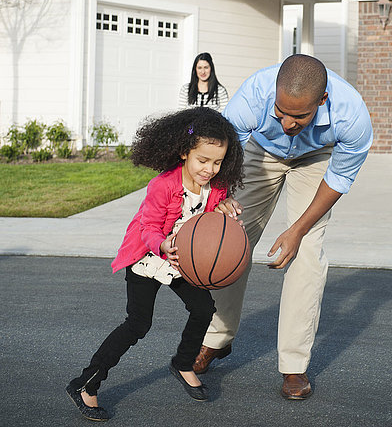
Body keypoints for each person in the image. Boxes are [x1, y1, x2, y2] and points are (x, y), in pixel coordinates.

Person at [192, 54, 373, 400]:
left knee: (305, 253)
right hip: (260, 150)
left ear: (322, 101)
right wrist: (221, 199)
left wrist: (298, 230)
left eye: (300, 115)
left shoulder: (352, 116)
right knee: (231, 238)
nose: (288, 123)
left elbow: (340, 178)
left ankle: (294, 364)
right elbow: (223, 152)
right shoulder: (254, 96)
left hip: (318, 156)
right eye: (281, 112)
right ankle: (215, 338)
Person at [66, 107, 244, 421]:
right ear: (184, 152)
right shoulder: (163, 185)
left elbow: (210, 219)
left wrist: (226, 208)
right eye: (203, 160)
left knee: (203, 309)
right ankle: (85, 385)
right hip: (148, 257)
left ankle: (183, 362)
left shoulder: (215, 187)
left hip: (181, 260)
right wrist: (161, 244)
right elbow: (148, 227)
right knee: (138, 324)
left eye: (217, 162)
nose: (209, 169)